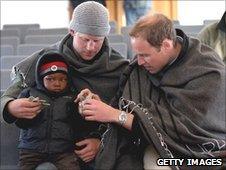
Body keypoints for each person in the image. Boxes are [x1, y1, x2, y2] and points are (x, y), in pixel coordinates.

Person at [77, 13, 226, 170]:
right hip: (153, 143)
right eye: (137, 54)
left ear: (166, 45)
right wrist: (100, 108)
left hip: (203, 152)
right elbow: (128, 106)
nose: (139, 62)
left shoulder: (209, 73)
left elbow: (185, 128)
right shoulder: (142, 69)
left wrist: (114, 114)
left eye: (145, 55)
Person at [0, 1, 128, 169]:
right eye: (85, 39)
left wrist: (101, 142)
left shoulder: (119, 68)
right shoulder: (46, 60)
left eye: (97, 40)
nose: (91, 47)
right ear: (72, 31)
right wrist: (10, 107)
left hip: (105, 148)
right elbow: (7, 97)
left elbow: (127, 116)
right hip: (56, 149)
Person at [15, 51, 81, 170]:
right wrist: (32, 113)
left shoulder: (72, 97)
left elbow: (77, 125)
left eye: (62, 79)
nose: (57, 83)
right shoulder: (29, 93)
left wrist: (80, 110)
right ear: (41, 78)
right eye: (50, 79)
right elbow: (21, 124)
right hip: (31, 149)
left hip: (63, 150)